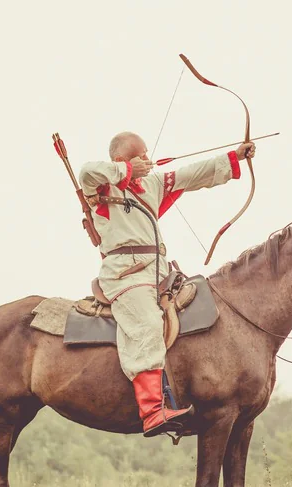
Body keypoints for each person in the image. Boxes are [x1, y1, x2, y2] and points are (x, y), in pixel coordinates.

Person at [78, 132, 255, 436]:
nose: (148, 159)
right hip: (126, 275)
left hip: (158, 272)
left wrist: (235, 157)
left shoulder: (152, 184)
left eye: (147, 153)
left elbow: (192, 173)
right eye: (140, 155)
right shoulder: (100, 187)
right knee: (147, 323)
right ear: (122, 160)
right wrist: (127, 172)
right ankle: (151, 411)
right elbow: (86, 171)